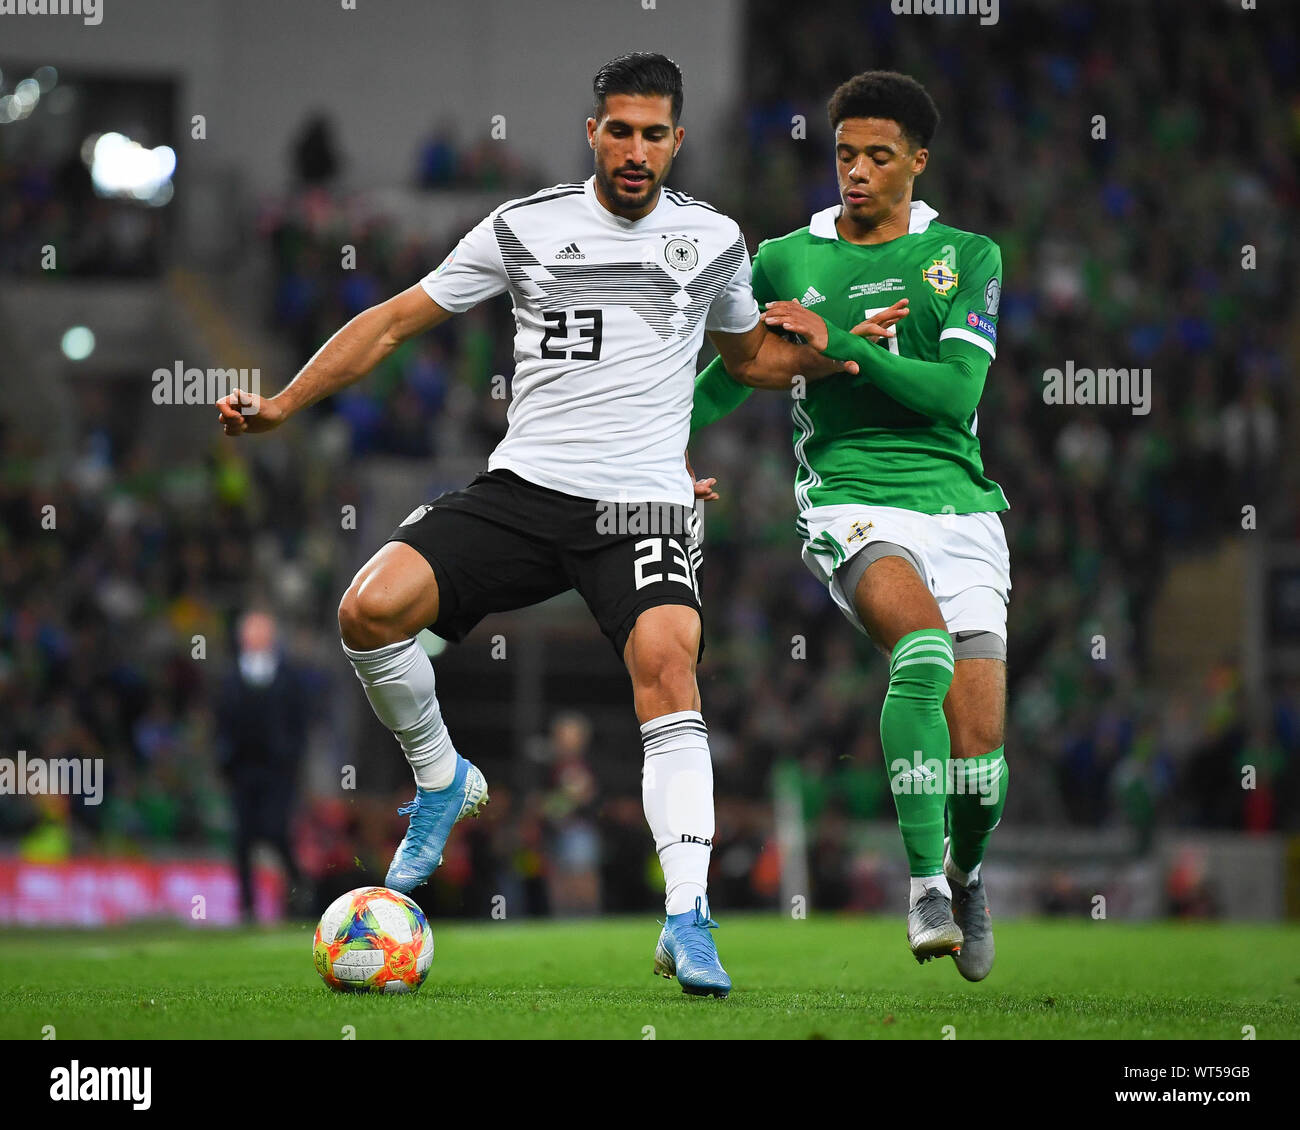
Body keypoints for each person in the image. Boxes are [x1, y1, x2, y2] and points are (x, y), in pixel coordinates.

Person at [218, 53, 855, 997]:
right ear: (592, 131)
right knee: (368, 610)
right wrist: (283, 404)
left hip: (640, 502)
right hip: (525, 487)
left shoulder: (714, 238)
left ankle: (687, 918)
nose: (636, 151)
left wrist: (827, 350)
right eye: (620, 130)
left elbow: (745, 355)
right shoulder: (523, 226)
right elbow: (394, 321)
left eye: (654, 134)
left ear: (677, 140)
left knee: (669, 666)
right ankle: (442, 779)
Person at [691, 71, 1010, 981]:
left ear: (918, 159)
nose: (857, 171)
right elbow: (732, 370)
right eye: (844, 155)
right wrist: (660, 443)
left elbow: (956, 395)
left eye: (878, 155)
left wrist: (846, 346)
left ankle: (967, 867)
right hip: (851, 499)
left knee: (981, 764)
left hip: (962, 508)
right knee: (923, 652)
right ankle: (924, 892)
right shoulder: (786, 259)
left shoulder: (967, 255)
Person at [214, 610, 309, 923]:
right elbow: (221, 721)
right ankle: (247, 906)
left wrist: (292, 756)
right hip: (242, 768)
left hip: (277, 770)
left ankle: (297, 888)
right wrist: (224, 757)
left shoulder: (288, 676)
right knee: (242, 836)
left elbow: (299, 720)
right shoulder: (229, 677)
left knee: (274, 829)